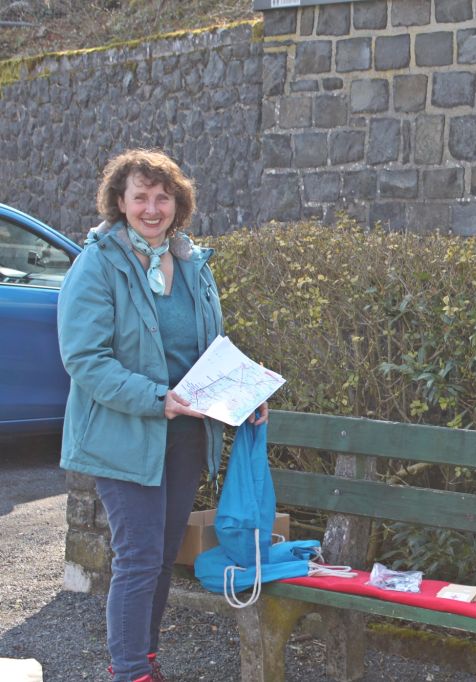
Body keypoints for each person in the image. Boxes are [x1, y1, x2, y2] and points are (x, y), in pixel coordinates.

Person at [57, 149, 268, 682]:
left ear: (178, 202)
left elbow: (209, 347)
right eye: (140, 197)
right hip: (122, 432)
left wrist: (245, 396)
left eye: (162, 197)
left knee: (162, 553)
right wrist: (156, 397)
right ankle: (129, 671)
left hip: (186, 434)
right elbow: (84, 358)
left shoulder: (192, 261)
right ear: (120, 203)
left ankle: (144, 658)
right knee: (140, 554)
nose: (152, 208)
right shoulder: (98, 263)